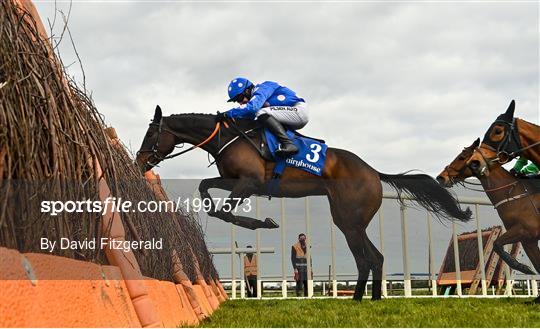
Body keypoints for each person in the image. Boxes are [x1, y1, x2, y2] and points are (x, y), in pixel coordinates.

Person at [218, 77, 309, 157]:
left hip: (299, 110)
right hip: (290, 115)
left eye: (239, 98)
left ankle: (288, 144)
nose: (240, 103)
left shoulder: (263, 87)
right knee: (260, 119)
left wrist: (228, 114)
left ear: (247, 90)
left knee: (261, 112)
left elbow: (252, 108)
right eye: (237, 101)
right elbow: (248, 117)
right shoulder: (257, 97)